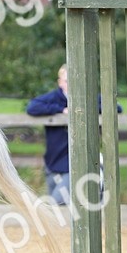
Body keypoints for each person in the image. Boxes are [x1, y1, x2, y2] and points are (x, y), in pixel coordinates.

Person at [26, 64, 71, 205]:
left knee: (54, 204)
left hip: (73, 164)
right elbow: (32, 107)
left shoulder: (88, 97)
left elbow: (116, 107)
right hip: (53, 162)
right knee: (56, 209)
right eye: (66, 81)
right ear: (60, 82)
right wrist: (60, 110)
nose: (69, 84)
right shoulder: (54, 98)